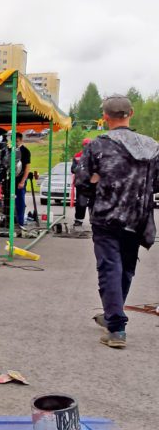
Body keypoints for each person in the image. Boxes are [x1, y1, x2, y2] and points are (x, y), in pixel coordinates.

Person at [81, 95, 159, 348]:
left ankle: (116, 327)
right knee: (125, 268)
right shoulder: (152, 146)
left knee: (109, 268)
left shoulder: (98, 146)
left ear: (104, 117)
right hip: (138, 218)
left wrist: (96, 183)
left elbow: (82, 182)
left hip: (107, 217)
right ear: (131, 113)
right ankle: (112, 315)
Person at [10, 133, 32, 229]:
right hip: (11, 180)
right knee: (10, 201)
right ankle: (11, 221)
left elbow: (27, 167)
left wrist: (23, 181)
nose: (15, 143)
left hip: (20, 180)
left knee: (20, 201)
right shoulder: (11, 151)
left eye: (17, 141)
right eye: (13, 141)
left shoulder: (25, 151)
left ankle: (21, 222)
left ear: (21, 140)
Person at [71, 138, 93, 230]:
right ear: (83, 146)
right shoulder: (77, 156)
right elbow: (73, 169)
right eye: (85, 145)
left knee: (94, 203)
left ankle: (94, 221)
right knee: (81, 203)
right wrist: (82, 169)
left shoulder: (96, 155)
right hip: (81, 183)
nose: (87, 147)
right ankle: (78, 220)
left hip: (93, 183)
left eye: (88, 145)